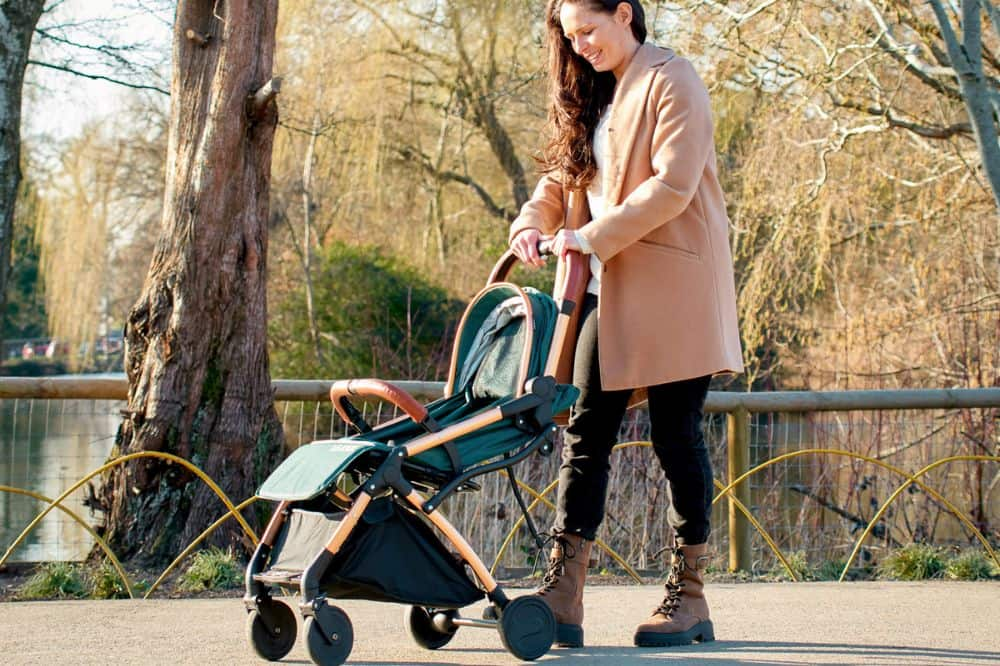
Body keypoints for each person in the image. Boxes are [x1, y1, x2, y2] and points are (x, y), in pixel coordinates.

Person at [508, 0, 744, 650]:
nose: (580, 45)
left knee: (675, 436)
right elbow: (559, 182)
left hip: (675, 290)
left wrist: (587, 237)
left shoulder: (674, 79)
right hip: (607, 290)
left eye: (589, 29)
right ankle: (564, 593)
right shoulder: (592, 96)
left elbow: (673, 185)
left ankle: (689, 596)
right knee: (585, 431)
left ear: (624, 13)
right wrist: (533, 222)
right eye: (570, 36)